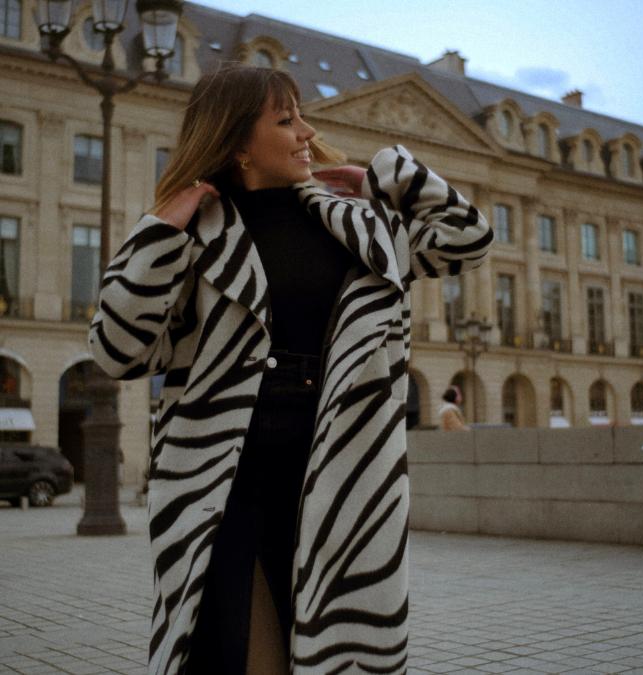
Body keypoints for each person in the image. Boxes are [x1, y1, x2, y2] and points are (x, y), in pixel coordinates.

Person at [88, 64, 493, 675]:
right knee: (236, 645)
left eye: (302, 116)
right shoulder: (197, 234)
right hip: (225, 474)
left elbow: (469, 239)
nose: (307, 132)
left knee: (334, 647)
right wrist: (160, 230)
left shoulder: (355, 223)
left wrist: (386, 173)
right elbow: (118, 350)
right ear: (238, 143)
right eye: (285, 120)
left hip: (340, 469)